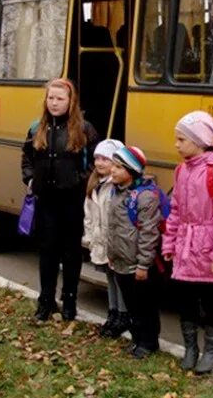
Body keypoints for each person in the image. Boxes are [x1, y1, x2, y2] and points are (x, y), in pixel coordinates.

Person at [161, 111, 213, 374]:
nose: (177, 144)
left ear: (199, 141)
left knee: (211, 302)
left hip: (207, 251)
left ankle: (212, 350)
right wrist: (169, 244)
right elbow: (175, 211)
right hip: (185, 248)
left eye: (182, 139)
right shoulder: (182, 170)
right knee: (185, 300)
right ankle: (190, 347)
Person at [21, 78, 98, 322]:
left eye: (59, 99)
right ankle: (46, 300)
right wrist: (30, 178)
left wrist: (79, 181)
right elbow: (27, 158)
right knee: (47, 251)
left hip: (72, 201)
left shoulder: (84, 129)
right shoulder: (37, 128)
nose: (54, 103)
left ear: (70, 101)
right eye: (50, 98)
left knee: (71, 251)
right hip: (46, 200)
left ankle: (70, 300)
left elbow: (97, 163)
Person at [107, 146, 163, 359]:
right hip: (121, 260)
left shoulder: (144, 197)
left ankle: (149, 342)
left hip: (138, 265)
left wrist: (143, 264)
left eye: (118, 167)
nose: (112, 170)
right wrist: (112, 255)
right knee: (131, 305)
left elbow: (149, 234)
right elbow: (112, 228)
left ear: (131, 171)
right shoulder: (116, 191)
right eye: (113, 165)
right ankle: (137, 338)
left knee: (145, 305)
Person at [82, 138, 131, 338]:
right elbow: (89, 215)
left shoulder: (116, 187)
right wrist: (90, 239)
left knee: (119, 279)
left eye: (106, 159)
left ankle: (123, 315)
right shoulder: (94, 185)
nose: (100, 163)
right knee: (110, 278)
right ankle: (112, 312)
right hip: (101, 242)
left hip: (115, 243)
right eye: (97, 158)